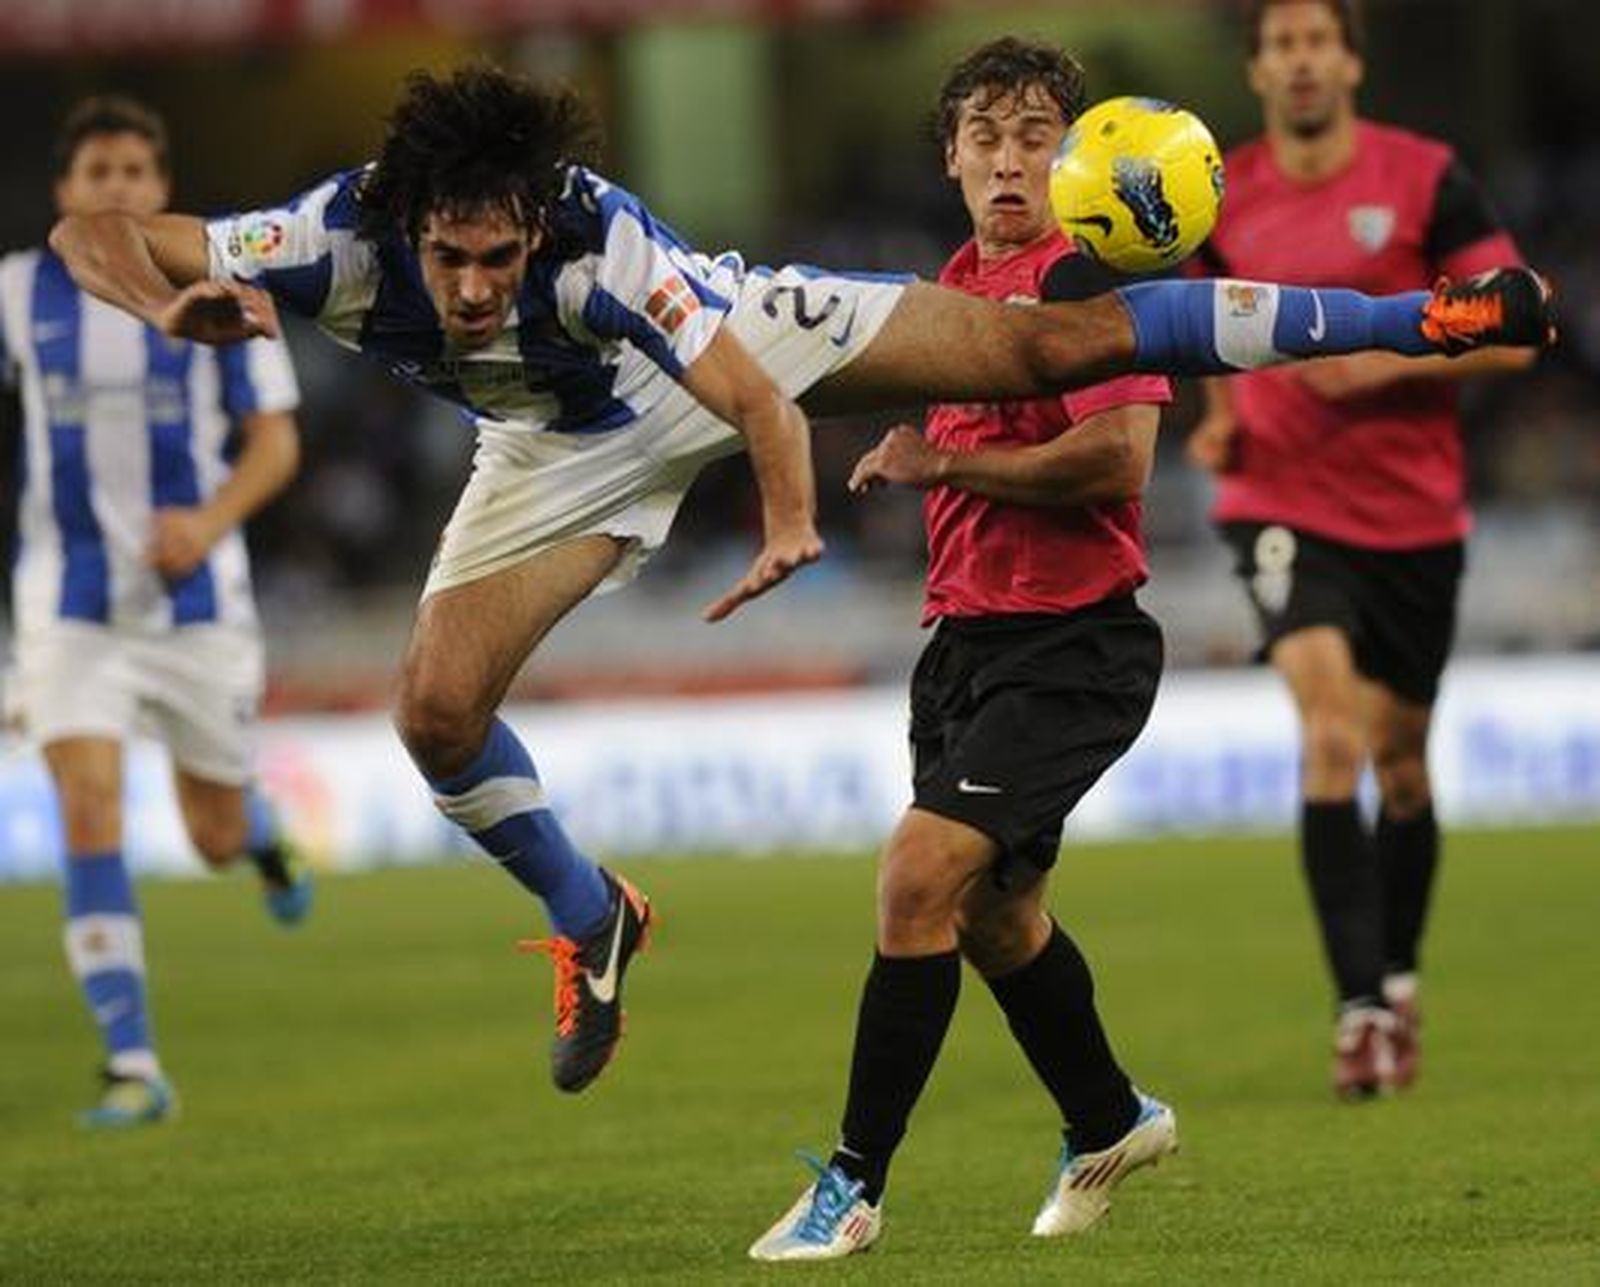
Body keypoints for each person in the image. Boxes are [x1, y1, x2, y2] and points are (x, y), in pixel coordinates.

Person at [48, 65, 1552, 1101]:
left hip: (737, 343)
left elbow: (750, 394)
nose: (478, 286)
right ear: (404, 231)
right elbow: (87, 228)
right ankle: (593, 919)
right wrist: (165, 297)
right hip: (549, 443)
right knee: (434, 714)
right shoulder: (318, 235)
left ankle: (1420, 310)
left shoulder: (598, 239)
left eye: (502, 254)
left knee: (1048, 344)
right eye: (454, 259)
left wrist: (787, 521)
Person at [748, 38, 1183, 1261]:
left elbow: (1119, 462)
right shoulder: (945, 287)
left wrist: (945, 461)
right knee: (998, 920)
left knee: (913, 880)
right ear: (949, 157)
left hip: (1074, 644)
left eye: (1035, 134)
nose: (1009, 161)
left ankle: (850, 1187)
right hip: (963, 646)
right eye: (984, 136)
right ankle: (1109, 1117)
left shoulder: (1087, 278)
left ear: (1075, 153)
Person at [1187, 0, 1538, 1099]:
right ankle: (1356, 1017)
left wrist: (1384, 359)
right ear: (1255, 71)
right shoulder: (1216, 197)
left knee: (1401, 762)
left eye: (1314, 42)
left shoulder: (1424, 178)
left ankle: (1393, 976)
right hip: (1278, 501)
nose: (1298, 61)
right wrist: (1214, 411)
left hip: (1412, 515)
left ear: (1348, 61)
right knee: (1330, 736)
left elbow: (1521, 325)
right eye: (1278, 45)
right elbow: (1200, 317)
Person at [0, 96, 311, 1130]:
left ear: (163, 190)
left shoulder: (229, 293)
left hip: (195, 603)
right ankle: (133, 1063)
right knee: (87, 808)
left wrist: (210, 519)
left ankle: (261, 835)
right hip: (67, 595)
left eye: (135, 172)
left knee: (212, 835)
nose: (117, 189)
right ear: (64, 194)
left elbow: (274, 444)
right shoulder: (16, 292)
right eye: (98, 173)